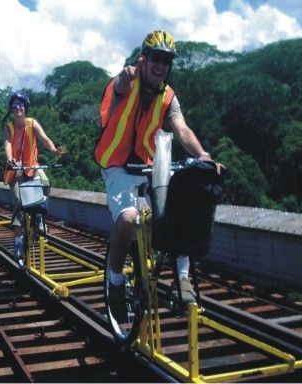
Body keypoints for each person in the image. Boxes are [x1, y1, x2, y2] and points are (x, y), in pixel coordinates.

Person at [93, 30, 225, 313]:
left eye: (166, 61)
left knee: (181, 210)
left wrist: (202, 155)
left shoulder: (168, 97)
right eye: (156, 58)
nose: (160, 65)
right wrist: (126, 76)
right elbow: (119, 86)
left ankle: (183, 278)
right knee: (128, 219)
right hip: (116, 166)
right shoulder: (127, 83)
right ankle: (115, 281)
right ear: (144, 59)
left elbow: (182, 129)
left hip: (147, 166)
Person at [2, 90, 66, 262]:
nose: (18, 108)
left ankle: (39, 217)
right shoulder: (8, 127)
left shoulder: (32, 123)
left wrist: (53, 149)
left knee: (45, 185)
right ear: (11, 109)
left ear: (26, 108)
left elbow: (45, 139)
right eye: (14, 105)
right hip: (15, 169)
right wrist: (10, 160)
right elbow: (7, 144)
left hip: (33, 166)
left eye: (21, 105)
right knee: (19, 202)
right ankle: (17, 241)